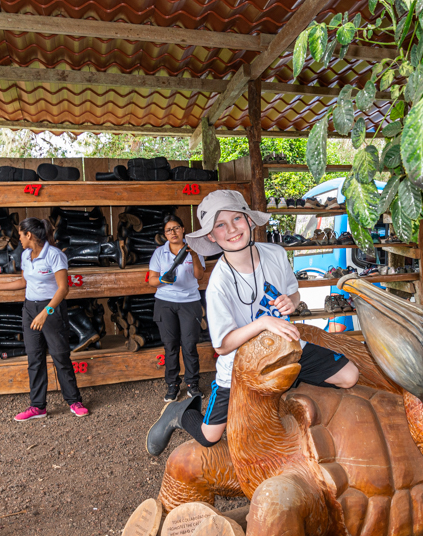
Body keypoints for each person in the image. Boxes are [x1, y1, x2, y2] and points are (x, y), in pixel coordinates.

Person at [146, 190, 359, 455]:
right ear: (211, 236)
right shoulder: (219, 284)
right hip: (239, 365)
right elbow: (222, 345)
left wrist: (291, 302)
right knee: (210, 436)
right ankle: (179, 413)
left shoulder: (276, 254)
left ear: (249, 220)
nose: (232, 229)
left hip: (285, 350)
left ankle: (288, 391)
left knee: (349, 376)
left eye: (237, 218)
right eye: (220, 225)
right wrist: (263, 323)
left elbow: (293, 293)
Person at [0, 218, 90, 421]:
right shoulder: (26, 255)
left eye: (20, 234)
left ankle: (74, 401)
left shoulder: (54, 255)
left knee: (60, 356)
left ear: (29, 235)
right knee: (34, 358)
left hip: (51, 309)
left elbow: (63, 289)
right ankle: (38, 406)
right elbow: (23, 282)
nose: (18, 238)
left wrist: (46, 312)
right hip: (29, 309)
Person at [146, 214, 206, 402]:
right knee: (170, 346)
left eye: (176, 228)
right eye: (168, 230)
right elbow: (151, 280)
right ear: (165, 235)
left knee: (189, 345)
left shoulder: (193, 250)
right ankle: (172, 385)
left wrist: (194, 255)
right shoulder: (159, 253)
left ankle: (192, 384)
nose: (173, 232)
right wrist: (162, 279)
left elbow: (199, 276)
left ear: (183, 229)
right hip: (165, 303)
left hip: (189, 302)